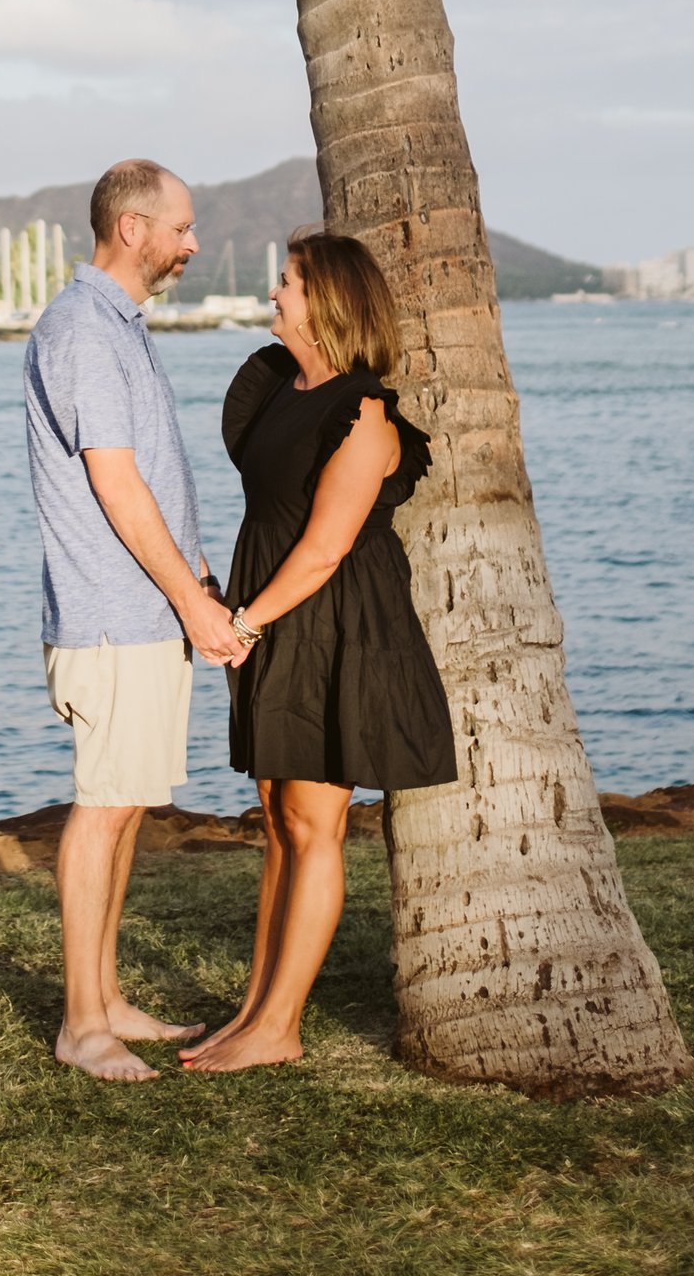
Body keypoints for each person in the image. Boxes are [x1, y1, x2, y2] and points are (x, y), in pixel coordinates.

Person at [181, 229, 458, 1074]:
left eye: (289, 283)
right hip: (271, 607)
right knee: (276, 817)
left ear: (328, 301)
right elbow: (270, 510)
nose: (274, 294)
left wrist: (246, 623)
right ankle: (255, 1011)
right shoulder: (273, 384)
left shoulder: (363, 411)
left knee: (313, 822)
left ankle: (281, 1029)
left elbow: (327, 547)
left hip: (333, 620)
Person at [23, 156, 248, 1081]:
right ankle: (82, 1027)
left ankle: (107, 997)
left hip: (146, 608)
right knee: (103, 809)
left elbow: (148, 476)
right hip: (114, 615)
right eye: (182, 227)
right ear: (132, 229)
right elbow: (114, 483)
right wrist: (191, 599)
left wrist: (198, 576)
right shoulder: (83, 329)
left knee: (125, 810)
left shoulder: (118, 324)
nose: (192, 243)